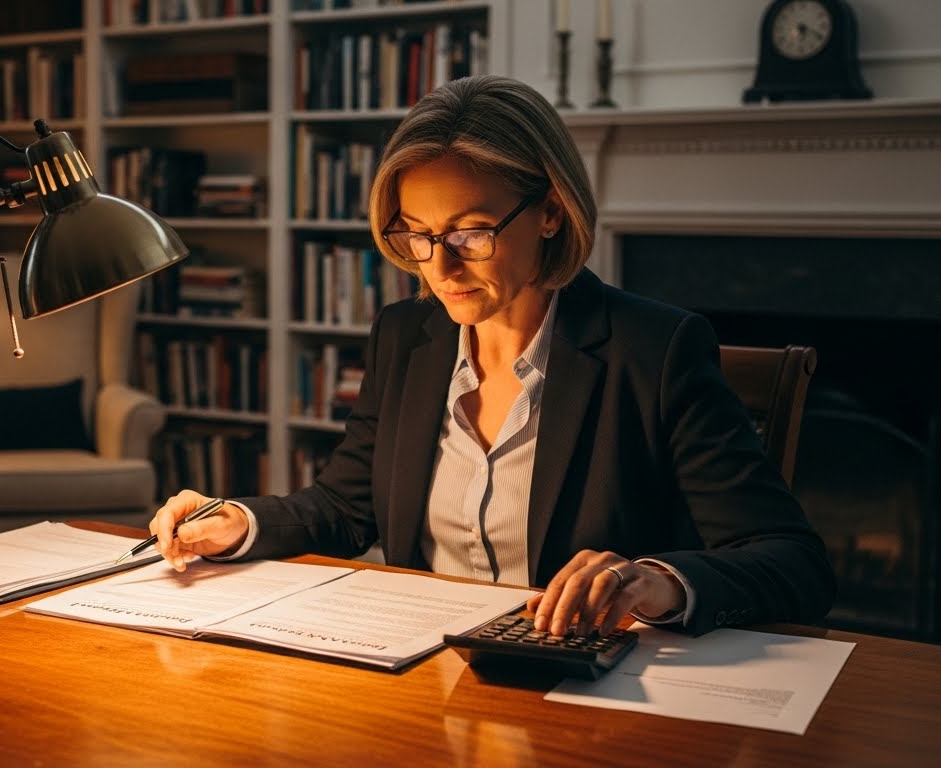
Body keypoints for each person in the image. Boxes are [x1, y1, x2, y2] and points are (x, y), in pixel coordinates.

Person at [147, 75, 834, 638]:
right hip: (421, 663)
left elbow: (793, 563)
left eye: (470, 232)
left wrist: (653, 580)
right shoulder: (404, 336)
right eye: (415, 234)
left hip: (583, 691)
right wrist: (240, 523)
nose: (437, 266)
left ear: (550, 211)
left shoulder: (656, 350)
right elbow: (344, 506)